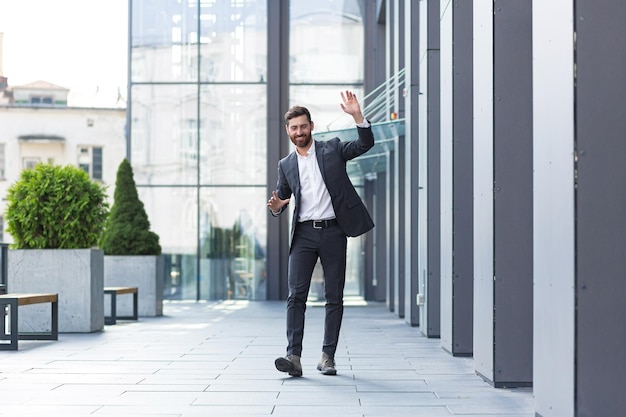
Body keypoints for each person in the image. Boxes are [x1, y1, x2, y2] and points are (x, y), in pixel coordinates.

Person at [267, 90, 375, 377]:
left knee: (334, 296)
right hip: (303, 234)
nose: (299, 132)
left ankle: (328, 356)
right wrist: (277, 206)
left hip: (333, 232)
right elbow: (281, 197)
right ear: (288, 131)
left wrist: (357, 116)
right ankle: (294, 357)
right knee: (296, 296)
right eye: (294, 128)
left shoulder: (333, 149)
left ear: (311, 126)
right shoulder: (286, 164)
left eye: (303, 126)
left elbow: (366, 144)